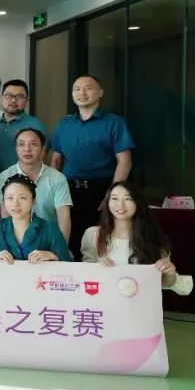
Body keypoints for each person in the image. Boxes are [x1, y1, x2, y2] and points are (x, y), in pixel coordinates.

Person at [51, 75, 135, 261]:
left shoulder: (114, 123)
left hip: (101, 188)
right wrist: (54, 192)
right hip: (68, 189)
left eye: (88, 88)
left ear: (100, 92)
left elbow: (125, 161)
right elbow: (56, 161)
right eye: (77, 89)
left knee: (99, 239)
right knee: (69, 238)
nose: (82, 93)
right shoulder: (63, 125)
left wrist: (112, 194)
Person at [81, 181, 191, 294]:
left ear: (138, 202)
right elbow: (83, 276)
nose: (120, 205)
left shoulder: (152, 236)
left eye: (128, 199)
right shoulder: (94, 235)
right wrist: (97, 268)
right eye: (114, 198)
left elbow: (165, 283)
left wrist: (170, 272)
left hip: (141, 301)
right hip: (105, 300)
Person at [0, 174, 71, 263]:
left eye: (22, 198)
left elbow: (67, 262)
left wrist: (51, 255)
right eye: (10, 198)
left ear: (33, 200)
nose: (15, 204)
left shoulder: (50, 228)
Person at [0, 128, 72, 240]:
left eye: (33, 144)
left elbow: (64, 219)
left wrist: (60, 247)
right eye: (21, 144)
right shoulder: (4, 178)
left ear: (42, 148)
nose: (27, 149)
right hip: (16, 242)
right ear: (16, 149)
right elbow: (6, 217)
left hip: (49, 240)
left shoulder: (57, 178)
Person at [0, 79, 47, 178]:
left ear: (27, 100)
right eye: (9, 96)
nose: (13, 100)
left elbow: (42, 157)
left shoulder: (35, 125)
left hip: (24, 182)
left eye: (19, 96)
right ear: (1, 99)